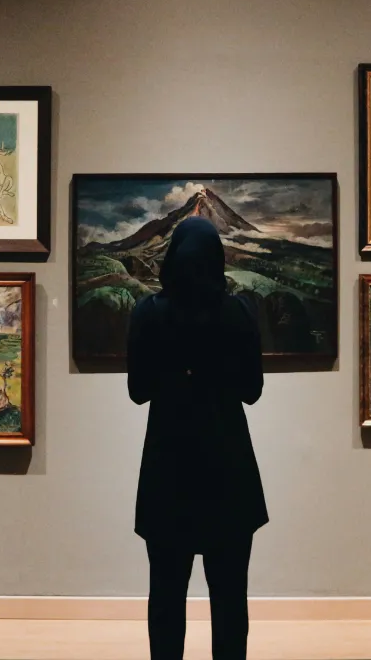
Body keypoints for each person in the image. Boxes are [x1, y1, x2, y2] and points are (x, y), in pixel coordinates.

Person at [127, 217, 267, 660]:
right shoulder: (239, 311)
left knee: (166, 597)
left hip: (168, 471)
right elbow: (252, 391)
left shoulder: (148, 313)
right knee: (230, 600)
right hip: (229, 473)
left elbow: (138, 392)